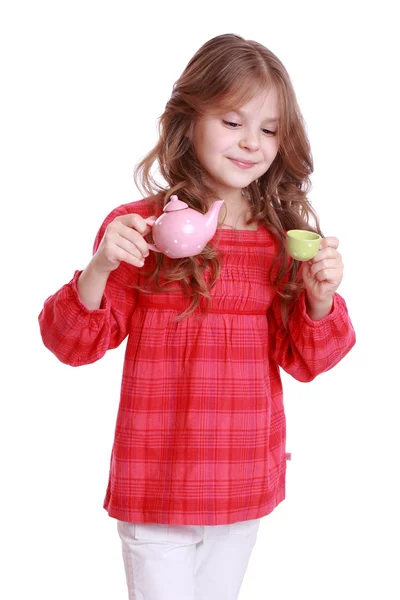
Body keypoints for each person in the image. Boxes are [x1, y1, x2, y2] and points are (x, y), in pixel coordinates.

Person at [38, 33, 356, 600]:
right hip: (156, 483)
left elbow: (308, 361)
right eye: (233, 122)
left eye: (269, 129)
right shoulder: (141, 228)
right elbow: (72, 344)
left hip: (242, 480)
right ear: (189, 120)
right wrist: (100, 265)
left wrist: (320, 298)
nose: (251, 143)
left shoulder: (283, 239)